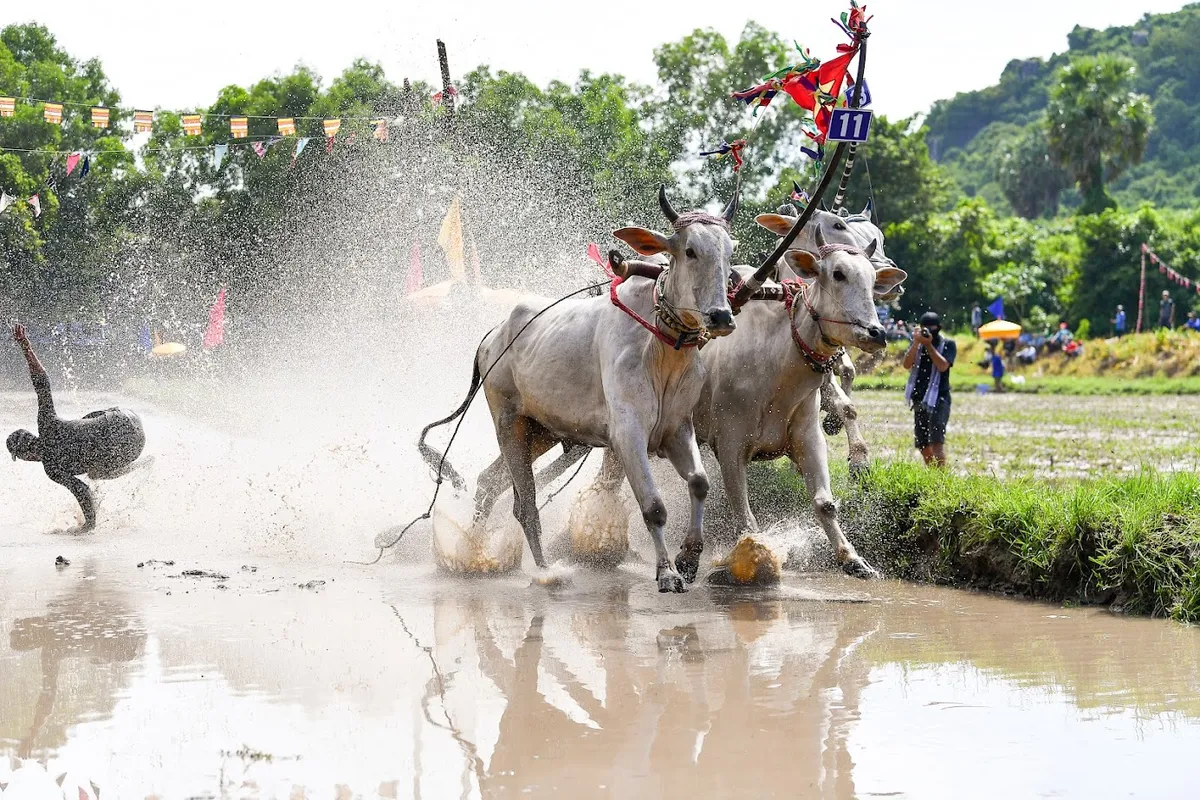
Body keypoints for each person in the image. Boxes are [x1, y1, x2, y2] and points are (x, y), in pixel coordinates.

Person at [8, 324, 147, 531]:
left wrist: (88, 526)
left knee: (93, 474)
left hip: (131, 450)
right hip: (128, 419)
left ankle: (140, 465)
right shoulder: (48, 425)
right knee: (86, 426)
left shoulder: (52, 468)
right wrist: (25, 347)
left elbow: (82, 490)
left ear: (25, 456)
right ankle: (136, 463)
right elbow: (42, 384)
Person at [903, 311, 956, 468]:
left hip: (939, 398)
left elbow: (942, 366)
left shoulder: (948, 344)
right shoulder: (917, 344)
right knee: (922, 443)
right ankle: (933, 473)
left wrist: (929, 345)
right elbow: (906, 364)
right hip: (919, 398)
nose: (928, 332)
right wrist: (916, 343)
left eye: (931, 329)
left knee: (936, 441)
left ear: (939, 328)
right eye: (924, 329)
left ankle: (940, 477)